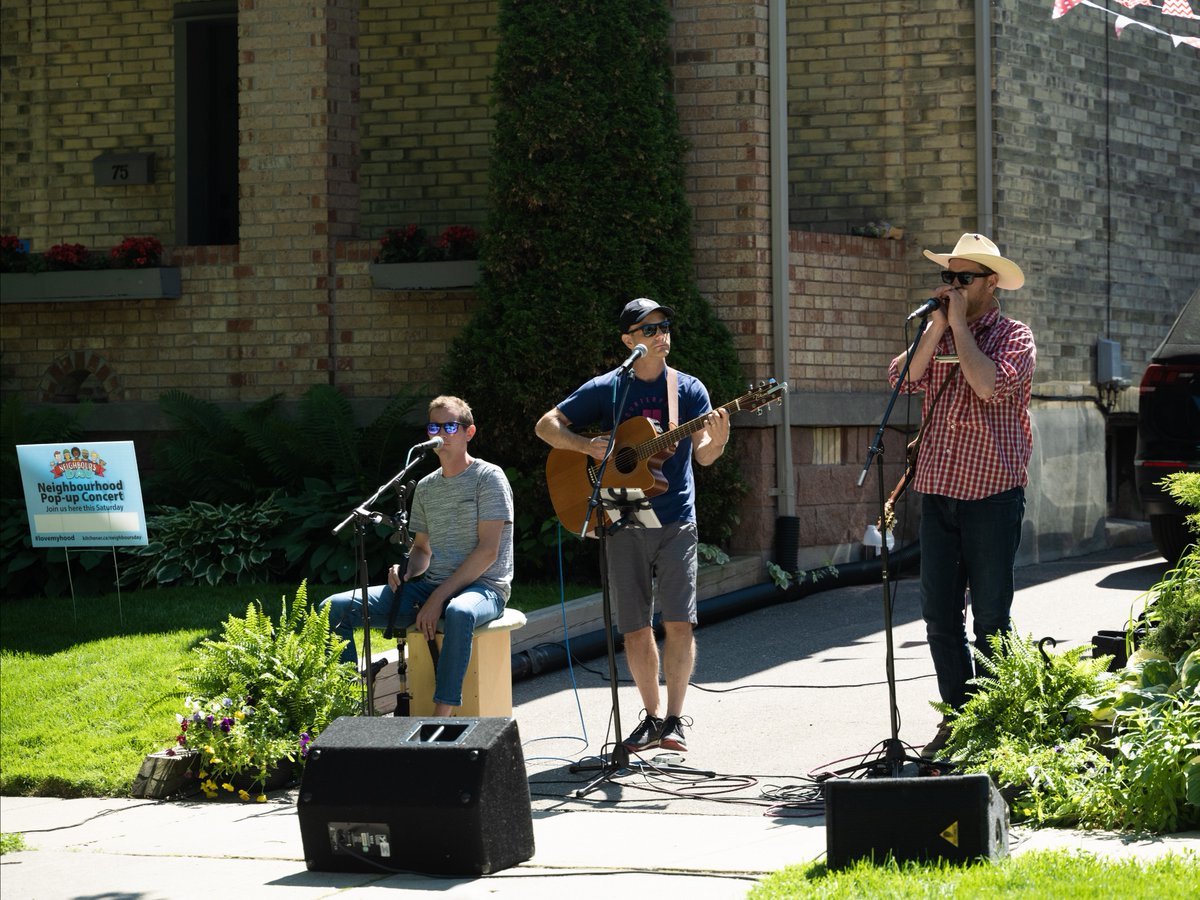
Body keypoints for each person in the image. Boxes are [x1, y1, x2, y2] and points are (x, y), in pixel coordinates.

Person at [535, 298, 730, 755]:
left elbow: (702, 454)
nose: (661, 334)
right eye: (649, 329)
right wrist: (587, 446)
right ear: (629, 341)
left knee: (679, 622)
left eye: (664, 326)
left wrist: (716, 442)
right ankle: (651, 717)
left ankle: (676, 722)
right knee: (635, 628)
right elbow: (547, 426)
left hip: (677, 519)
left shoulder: (688, 390)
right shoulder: (609, 388)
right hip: (623, 517)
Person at [887, 233, 1036, 757]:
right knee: (939, 616)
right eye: (948, 278)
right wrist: (935, 329)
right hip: (939, 491)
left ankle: (997, 724)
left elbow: (989, 385)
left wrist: (959, 332)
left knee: (991, 616)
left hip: (992, 495)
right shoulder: (940, 332)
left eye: (963, 279)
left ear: (990, 284)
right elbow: (902, 381)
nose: (951, 287)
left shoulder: (1015, 336)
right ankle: (959, 718)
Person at [320, 395, 514, 716]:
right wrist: (408, 569)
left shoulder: (488, 478)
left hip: (485, 588)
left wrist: (438, 597)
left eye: (450, 425)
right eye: (434, 426)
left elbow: (487, 552)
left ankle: (441, 719)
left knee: (459, 612)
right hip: (432, 586)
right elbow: (423, 548)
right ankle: (349, 710)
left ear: (469, 432)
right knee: (333, 610)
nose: (442, 432)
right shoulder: (425, 486)